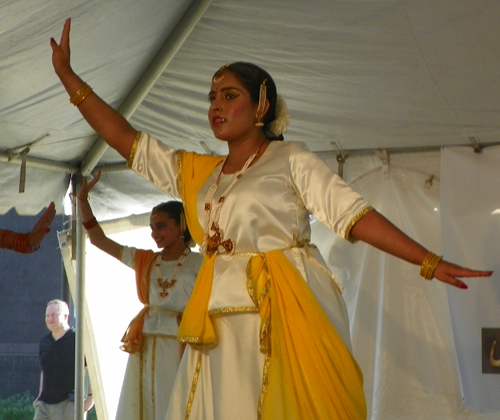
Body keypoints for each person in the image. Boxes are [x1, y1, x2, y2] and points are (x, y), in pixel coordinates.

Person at [50, 19, 493, 420]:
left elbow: (355, 217)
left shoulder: (290, 159)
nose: (216, 106)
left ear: (261, 106)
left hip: (278, 313)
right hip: (216, 325)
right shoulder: (199, 173)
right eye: (211, 98)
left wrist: (429, 261)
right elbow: (127, 140)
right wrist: (71, 79)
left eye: (230, 96)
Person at [76, 170, 203, 420]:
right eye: (152, 227)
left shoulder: (202, 263)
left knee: (176, 403)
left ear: (183, 225)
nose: (154, 233)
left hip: (182, 343)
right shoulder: (146, 260)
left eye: (161, 226)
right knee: (141, 404)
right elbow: (99, 240)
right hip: (144, 342)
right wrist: (82, 201)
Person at [34, 299, 94, 420]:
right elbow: (45, 371)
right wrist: (39, 396)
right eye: (47, 316)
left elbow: (92, 371)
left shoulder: (78, 340)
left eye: (54, 315)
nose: (49, 319)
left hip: (69, 405)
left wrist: (90, 399)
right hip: (44, 406)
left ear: (66, 316)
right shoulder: (44, 342)